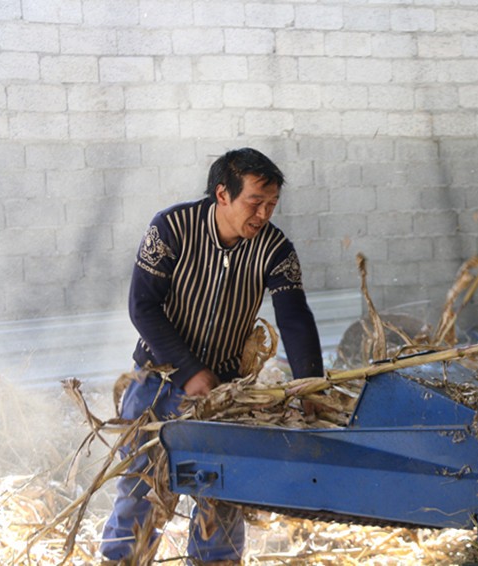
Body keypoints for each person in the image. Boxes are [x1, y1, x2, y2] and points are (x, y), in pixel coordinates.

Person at [100, 148, 324, 564]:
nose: (263, 214)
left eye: (271, 204)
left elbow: (293, 316)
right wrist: (188, 371)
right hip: (156, 383)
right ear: (223, 194)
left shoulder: (275, 249)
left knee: (219, 502)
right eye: (254, 202)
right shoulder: (170, 228)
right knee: (139, 492)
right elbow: (142, 307)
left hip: (222, 395)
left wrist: (311, 382)